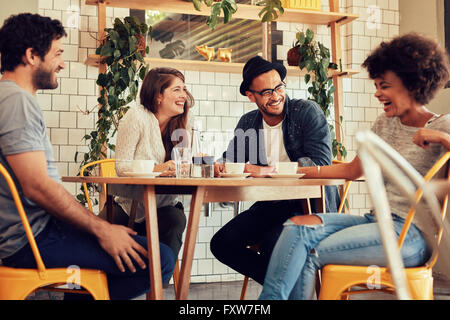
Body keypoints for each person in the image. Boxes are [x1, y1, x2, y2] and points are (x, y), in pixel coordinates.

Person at [258, 33, 450, 300]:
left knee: (309, 250)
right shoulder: (385, 124)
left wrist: (443, 139)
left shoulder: (443, 125)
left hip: (410, 236)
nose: (377, 93)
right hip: (375, 222)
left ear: (411, 85)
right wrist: (285, 170)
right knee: (296, 227)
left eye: (384, 86)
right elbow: (350, 170)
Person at [0, 13, 174, 300]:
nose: (62, 63)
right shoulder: (17, 101)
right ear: (31, 55)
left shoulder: (9, 97)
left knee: (131, 251)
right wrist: (102, 229)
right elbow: (37, 186)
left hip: (30, 232)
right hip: (30, 239)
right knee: (159, 259)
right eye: (57, 53)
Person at [210, 56, 341, 285]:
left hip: (309, 205)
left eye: (279, 87)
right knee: (222, 243)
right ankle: (287, 287)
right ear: (251, 96)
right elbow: (231, 159)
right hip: (270, 205)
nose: (276, 96)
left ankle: (287, 288)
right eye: (267, 92)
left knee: (274, 244)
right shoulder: (248, 122)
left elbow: (321, 163)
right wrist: (222, 164)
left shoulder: (306, 112)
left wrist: (267, 171)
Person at [109, 67, 194, 263]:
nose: (184, 95)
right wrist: (160, 169)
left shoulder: (185, 121)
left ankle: (157, 280)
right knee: (93, 239)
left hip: (163, 205)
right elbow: (121, 167)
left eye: (184, 89)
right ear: (158, 96)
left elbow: (187, 164)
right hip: (129, 206)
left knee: (176, 220)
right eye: (177, 90)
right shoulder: (136, 117)